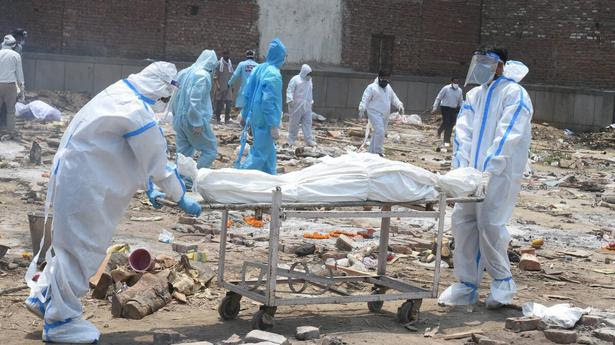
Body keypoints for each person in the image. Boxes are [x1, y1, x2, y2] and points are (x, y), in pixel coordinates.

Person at [24, 62, 202, 343]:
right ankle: (61, 321)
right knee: (82, 250)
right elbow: (156, 161)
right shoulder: (135, 110)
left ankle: (45, 296)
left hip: (76, 176)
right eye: (164, 96)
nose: (161, 102)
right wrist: (181, 196)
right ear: (161, 87)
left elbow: (122, 148)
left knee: (68, 244)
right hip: (88, 185)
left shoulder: (118, 93)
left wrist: (148, 186)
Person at [438, 47, 533, 309]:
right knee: (463, 223)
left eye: (486, 63)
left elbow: (508, 134)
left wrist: (491, 169)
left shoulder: (515, 94)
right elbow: (463, 132)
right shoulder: (474, 95)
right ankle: (466, 285)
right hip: (470, 174)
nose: (480, 68)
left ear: (500, 66)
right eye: (477, 62)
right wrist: (460, 168)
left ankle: (502, 283)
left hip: (499, 175)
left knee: (491, 226)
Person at [236, 38, 286, 175]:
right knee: (259, 154)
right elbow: (268, 102)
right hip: (265, 120)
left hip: (255, 117)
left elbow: (247, 93)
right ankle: (239, 178)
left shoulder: (259, 69)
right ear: (280, 56)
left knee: (269, 153)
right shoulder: (274, 74)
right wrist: (273, 124)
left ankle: (270, 178)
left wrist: (245, 114)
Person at [172, 50, 218, 169]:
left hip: (179, 119)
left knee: (183, 153)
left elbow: (174, 95)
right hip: (192, 120)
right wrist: (197, 122)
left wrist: (175, 115)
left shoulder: (184, 72)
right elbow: (195, 100)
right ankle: (195, 177)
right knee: (210, 150)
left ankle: (182, 180)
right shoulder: (203, 75)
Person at [358, 70, 404, 156]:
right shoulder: (371, 87)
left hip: (385, 114)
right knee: (379, 131)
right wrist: (362, 108)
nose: (386, 81)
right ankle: (378, 151)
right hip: (374, 113)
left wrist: (399, 104)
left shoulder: (388, 87)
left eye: (387, 79)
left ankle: (372, 151)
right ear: (379, 77)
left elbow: (393, 97)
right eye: (384, 79)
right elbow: (365, 98)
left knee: (379, 132)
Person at [0, 35, 24, 134]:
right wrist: (22, 90)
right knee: (10, 111)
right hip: (10, 86)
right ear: (13, 45)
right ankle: (10, 132)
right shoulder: (16, 55)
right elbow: (19, 75)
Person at [286, 64, 315, 147]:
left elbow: (310, 92)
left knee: (308, 123)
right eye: (308, 74)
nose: (309, 76)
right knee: (294, 123)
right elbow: (290, 90)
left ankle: (308, 140)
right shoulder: (295, 79)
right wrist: (290, 99)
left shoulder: (309, 80)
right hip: (296, 106)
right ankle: (291, 140)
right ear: (304, 73)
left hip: (307, 106)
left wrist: (311, 101)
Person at [432, 77, 463, 146]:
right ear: (451, 82)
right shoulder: (446, 88)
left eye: (457, 82)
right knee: (446, 122)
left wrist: (461, 108)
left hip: (454, 109)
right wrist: (434, 107)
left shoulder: (459, 91)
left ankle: (444, 137)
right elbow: (438, 97)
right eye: (455, 82)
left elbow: (460, 100)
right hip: (445, 108)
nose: (456, 84)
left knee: (451, 124)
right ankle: (443, 136)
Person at [228, 49, 258, 117]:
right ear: (253, 57)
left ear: (246, 56)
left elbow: (235, 75)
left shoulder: (242, 64)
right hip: (254, 89)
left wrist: (230, 83)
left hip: (244, 89)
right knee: (252, 107)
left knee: (243, 106)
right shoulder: (257, 65)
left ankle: (244, 123)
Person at [214, 51, 234, 124]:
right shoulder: (219, 64)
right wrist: (218, 86)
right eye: (226, 54)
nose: (227, 55)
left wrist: (232, 86)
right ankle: (218, 119)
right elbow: (215, 77)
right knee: (219, 104)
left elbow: (232, 76)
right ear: (223, 55)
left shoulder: (230, 64)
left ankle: (227, 119)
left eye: (228, 54)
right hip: (220, 87)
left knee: (228, 104)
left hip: (228, 87)